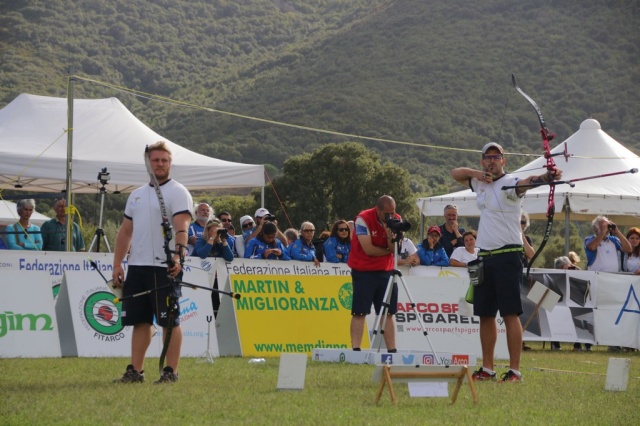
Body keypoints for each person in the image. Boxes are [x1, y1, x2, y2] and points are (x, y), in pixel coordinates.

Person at [451, 141, 563, 383]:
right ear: (482, 161)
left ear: (504, 161)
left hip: (508, 255)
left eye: (496, 156)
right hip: (484, 257)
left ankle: (514, 371)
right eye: (488, 157)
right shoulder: (479, 182)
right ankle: (488, 368)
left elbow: (529, 181)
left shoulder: (511, 183)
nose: (492, 160)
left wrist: (547, 176)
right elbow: (455, 173)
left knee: (510, 314)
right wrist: (475, 174)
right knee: (485, 314)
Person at [111, 141, 193, 384]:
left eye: (164, 160)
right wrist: (118, 264)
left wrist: (177, 256)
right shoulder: (136, 195)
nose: (160, 164)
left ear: (170, 163)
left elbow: (182, 227)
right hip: (137, 266)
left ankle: (171, 371)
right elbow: (125, 232)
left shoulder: (178, 192)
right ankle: (135, 371)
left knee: (169, 320)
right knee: (140, 320)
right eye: (155, 160)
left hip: (165, 266)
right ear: (148, 163)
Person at [347, 195, 400, 353]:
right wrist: (388, 251)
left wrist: (391, 236)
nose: (390, 216)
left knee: (388, 312)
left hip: (386, 271)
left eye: (393, 212)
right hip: (363, 270)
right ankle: (356, 349)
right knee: (359, 311)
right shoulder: (362, 219)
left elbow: (394, 250)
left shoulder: (396, 220)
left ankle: (391, 350)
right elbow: (368, 249)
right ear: (378, 210)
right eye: (387, 213)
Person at [584, 215, 631, 353]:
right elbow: (592, 247)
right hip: (596, 280)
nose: (607, 228)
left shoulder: (614, 240)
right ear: (596, 228)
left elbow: (628, 249)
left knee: (613, 311)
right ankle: (588, 342)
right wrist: (603, 232)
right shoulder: (590, 239)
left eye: (608, 225)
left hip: (613, 281)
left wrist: (616, 231)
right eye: (603, 225)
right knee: (593, 311)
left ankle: (613, 342)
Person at [194, 218, 234, 319]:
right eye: (214, 230)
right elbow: (202, 254)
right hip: (199, 279)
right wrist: (211, 238)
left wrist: (224, 240)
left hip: (216, 280)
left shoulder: (220, 244)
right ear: (208, 231)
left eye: (218, 230)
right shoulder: (201, 241)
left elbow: (230, 258)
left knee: (216, 304)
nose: (216, 233)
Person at [520, 211, 535, 351]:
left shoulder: (527, 238)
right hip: (509, 274)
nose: (521, 224)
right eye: (519, 221)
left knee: (522, 310)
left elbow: (530, 254)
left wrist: (521, 235)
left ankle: (521, 340)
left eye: (523, 222)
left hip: (522, 277)